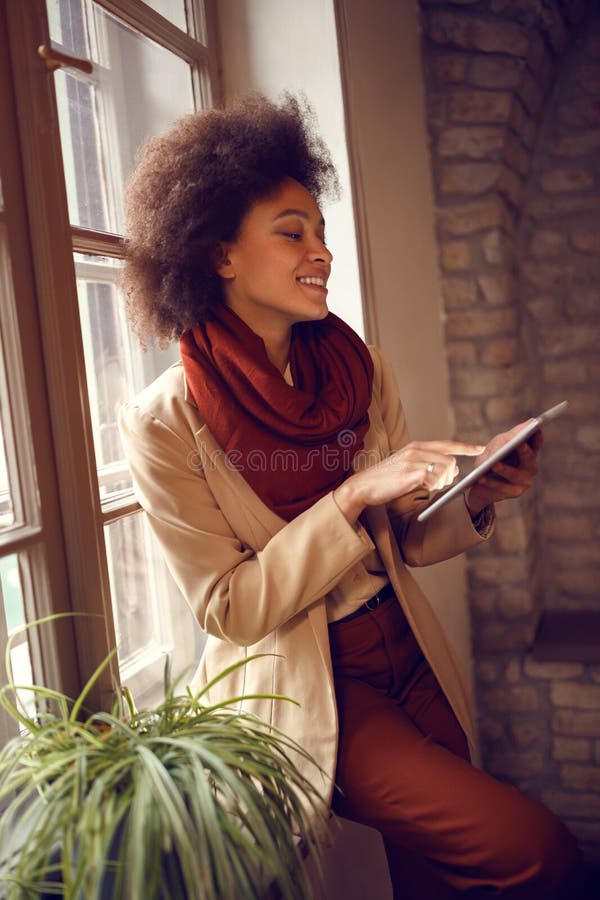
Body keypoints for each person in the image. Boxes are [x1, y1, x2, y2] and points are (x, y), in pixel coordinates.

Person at [119, 93, 580, 899]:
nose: (321, 251)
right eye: (292, 232)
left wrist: (475, 496)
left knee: (443, 879)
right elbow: (230, 606)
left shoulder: (360, 368)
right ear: (220, 253)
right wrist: (356, 492)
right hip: (315, 677)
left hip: (407, 643)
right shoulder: (163, 422)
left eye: (322, 231)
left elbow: (404, 539)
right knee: (540, 850)